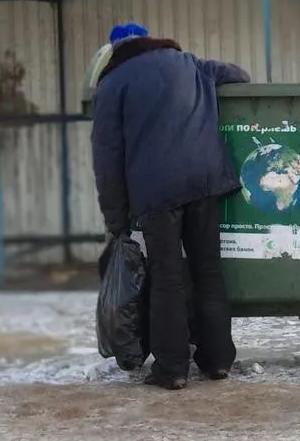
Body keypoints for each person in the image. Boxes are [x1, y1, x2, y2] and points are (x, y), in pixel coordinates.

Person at [90, 22, 251, 390]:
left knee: (167, 278)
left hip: (156, 191)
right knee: (208, 270)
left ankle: (172, 369)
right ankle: (217, 361)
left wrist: (116, 219)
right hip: (205, 181)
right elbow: (238, 75)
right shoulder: (190, 63)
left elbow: (107, 159)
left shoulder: (112, 85)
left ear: (116, 51)